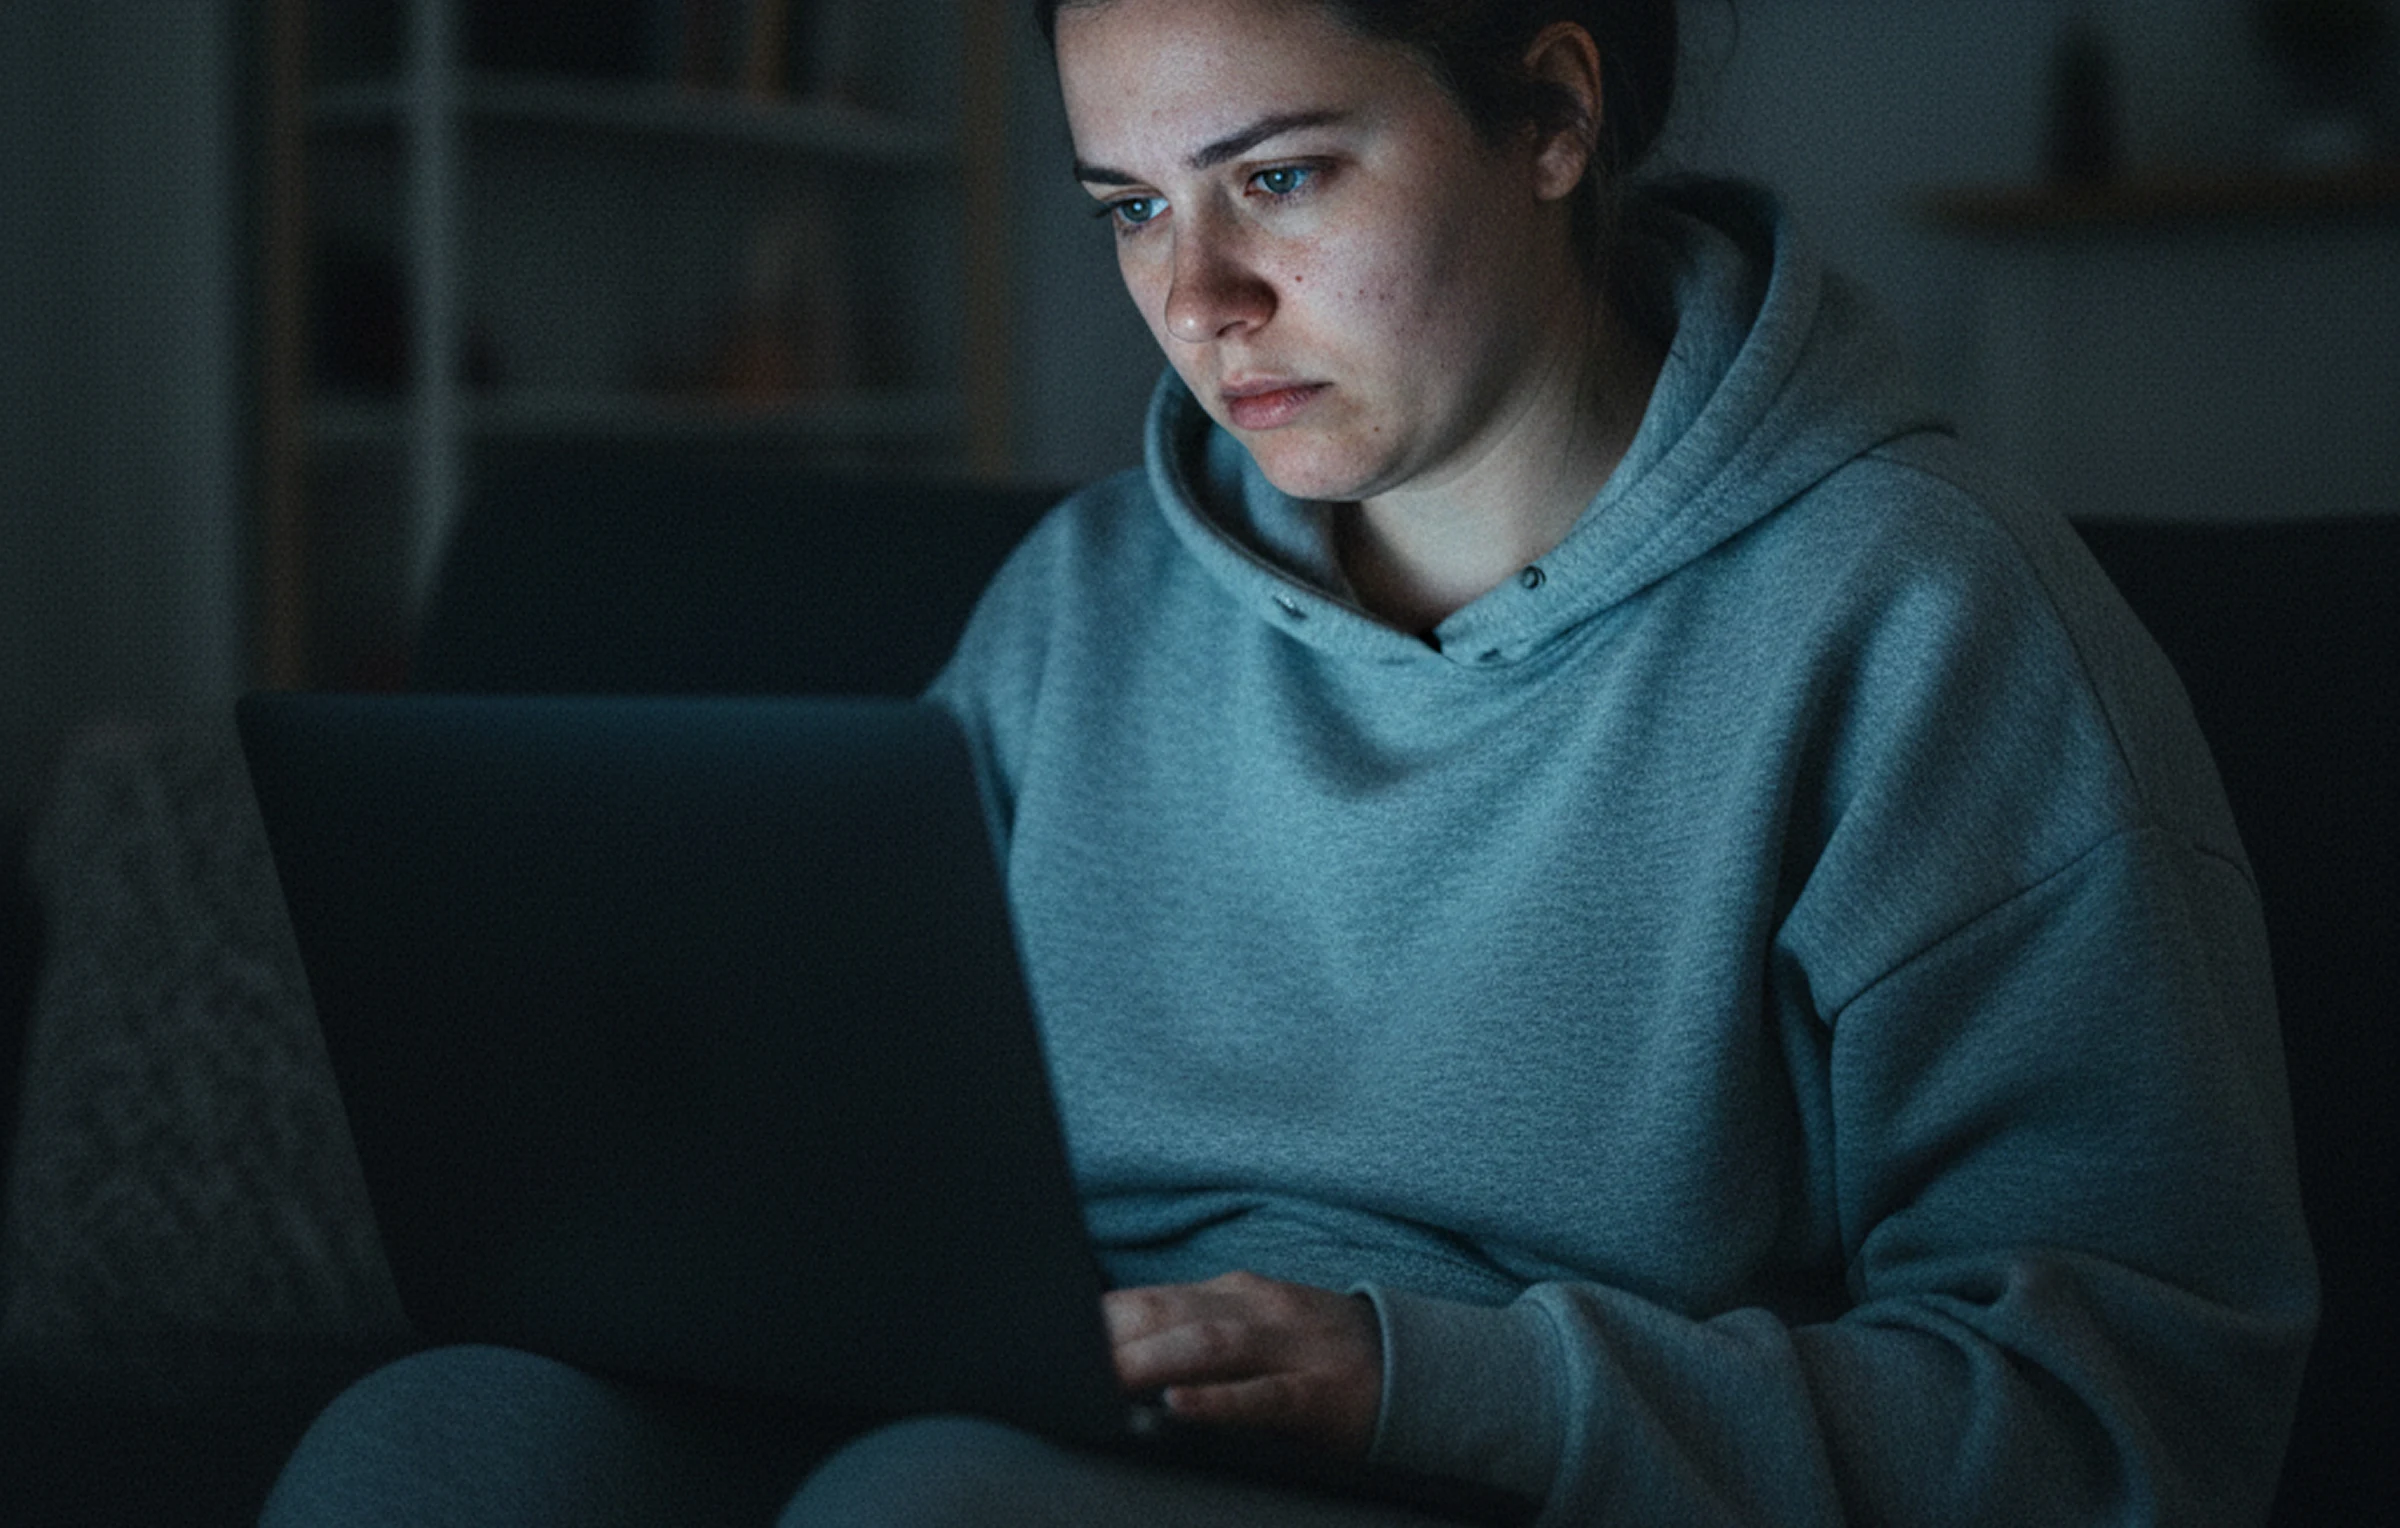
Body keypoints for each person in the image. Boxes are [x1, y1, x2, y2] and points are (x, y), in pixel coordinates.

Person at [261, 0, 2317, 1523]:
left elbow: (2120, 1413)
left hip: (1498, 1457)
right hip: (1037, 1394)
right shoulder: (1080, 602)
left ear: (1550, 111)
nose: (1199, 298)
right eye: (1129, 206)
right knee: (436, 1442)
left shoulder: (1926, 617)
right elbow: (873, 1159)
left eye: (1283, 174)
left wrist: (1422, 1377)